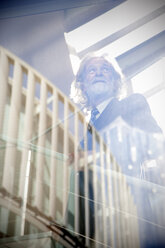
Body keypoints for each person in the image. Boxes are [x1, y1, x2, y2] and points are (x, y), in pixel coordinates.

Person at [68, 52, 165, 247]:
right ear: (83, 85)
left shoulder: (132, 104)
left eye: (105, 70)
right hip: (98, 231)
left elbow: (155, 144)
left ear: (114, 82)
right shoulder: (83, 137)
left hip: (135, 217)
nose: (99, 73)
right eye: (92, 71)